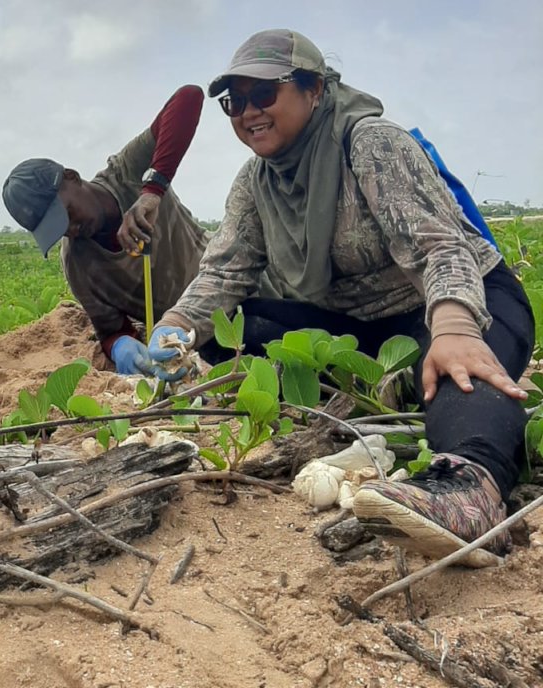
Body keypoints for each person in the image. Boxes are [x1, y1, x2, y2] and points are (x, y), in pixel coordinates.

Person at [149, 29, 534, 564]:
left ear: (314, 89)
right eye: (235, 101)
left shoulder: (371, 143)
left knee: (462, 368)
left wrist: (455, 328)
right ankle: (385, 388)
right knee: (229, 326)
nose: (248, 112)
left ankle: (469, 490)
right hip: (362, 329)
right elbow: (224, 271)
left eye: (264, 93)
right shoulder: (255, 181)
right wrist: (174, 326)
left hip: (456, 298)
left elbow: (442, 248)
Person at [2, 86, 211, 376]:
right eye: (59, 230)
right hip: (179, 337)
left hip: (227, 292)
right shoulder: (78, 263)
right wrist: (122, 346)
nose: (73, 230)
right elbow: (112, 330)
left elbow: (189, 97)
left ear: (72, 177)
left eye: (68, 214)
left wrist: (152, 191)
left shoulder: (126, 172)